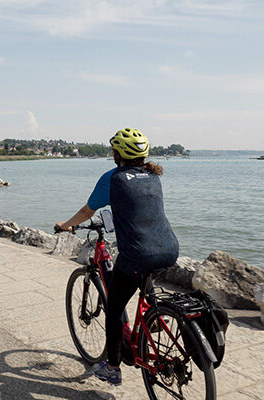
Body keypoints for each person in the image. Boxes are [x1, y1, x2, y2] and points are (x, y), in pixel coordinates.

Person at [56, 128, 179, 386]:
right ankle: (153, 319)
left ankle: (112, 368)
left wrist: (66, 224)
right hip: (168, 249)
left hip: (137, 255)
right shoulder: (152, 176)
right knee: (143, 277)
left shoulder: (113, 179)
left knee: (113, 308)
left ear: (117, 153)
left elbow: (86, 211)